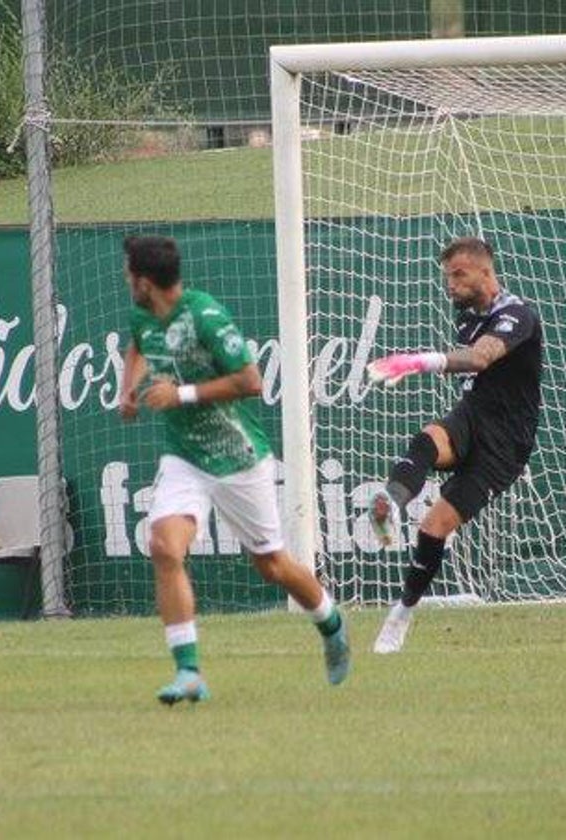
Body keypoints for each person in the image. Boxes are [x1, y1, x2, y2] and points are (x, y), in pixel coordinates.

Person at [118, 234, 349, 704]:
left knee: (274, 565)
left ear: (144, 281)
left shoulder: (205, 315)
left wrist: (179, 395)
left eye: (128, 273)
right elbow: (137, 345)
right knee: (164, 546)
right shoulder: (143, 314)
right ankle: (189, 673)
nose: (125, 280)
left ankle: (331, 622)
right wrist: (129, 388)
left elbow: (251, 381)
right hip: (184, 457)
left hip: (238, 459)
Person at [366, 236, 542, 654]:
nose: (450, 284)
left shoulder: (517, 315)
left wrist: (419, 361)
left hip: (506, 445)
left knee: (434, 528)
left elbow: (481, 358)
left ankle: (401, 615)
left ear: (486, 272)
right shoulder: (465, 317)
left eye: (458, 275)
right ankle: (391, 503)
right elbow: (474, 372)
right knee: (427, 439)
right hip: (473, 415)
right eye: (447, 276)